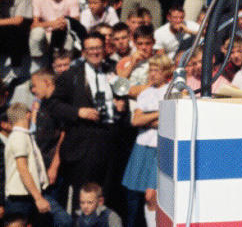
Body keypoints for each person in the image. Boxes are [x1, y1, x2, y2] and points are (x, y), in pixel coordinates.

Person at [46, 34, 126, 213]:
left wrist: (122, 105)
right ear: (84, 52)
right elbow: (53, 105)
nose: (95, 52)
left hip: (110, 141)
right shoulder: (71, 75)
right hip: (84, 144)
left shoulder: (112, 70)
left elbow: (123, 95)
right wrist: (78, 112)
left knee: (107, 196)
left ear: (104, 49)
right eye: (91, 49)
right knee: (85, 197)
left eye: (98, 48)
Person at [121, 54, 171, 227]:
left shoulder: (172, 91)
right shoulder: (145, 93)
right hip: (142, 145)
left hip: (161, 147)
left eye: (157, 70)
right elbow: (136, 121)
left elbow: (170, 122)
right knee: (134, 194)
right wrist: (160, 112)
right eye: (151, 70)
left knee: (151, 196)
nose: (153, 74)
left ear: (166, 72)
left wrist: (147, 118)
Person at [3, 102, 72, 227]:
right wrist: (38, 198)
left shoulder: (25, 136)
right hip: (21, 197)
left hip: (34, 194)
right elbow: (23, 169)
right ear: (28, 115)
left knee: (62, 220)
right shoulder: (19, 137)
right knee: (62, 220)